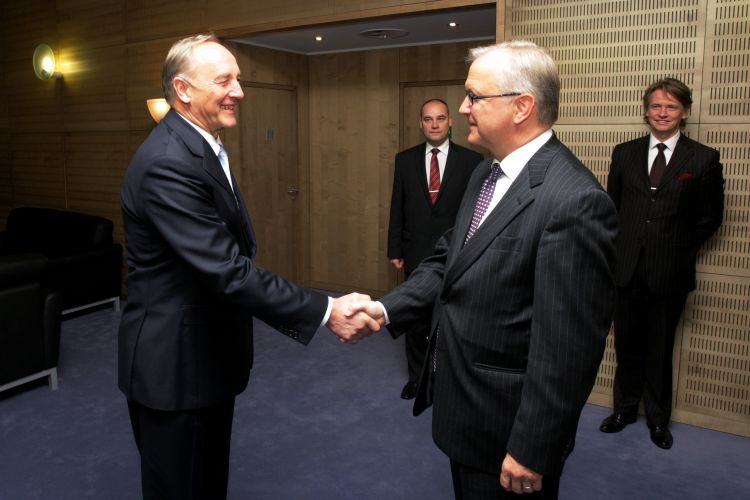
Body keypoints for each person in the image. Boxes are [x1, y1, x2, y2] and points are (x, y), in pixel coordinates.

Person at [352, 40, 617, 499]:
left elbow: (568, 349)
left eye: (474, 96)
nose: (462, 108)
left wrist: (533, 447)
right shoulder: (487, 172)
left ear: (521, 107)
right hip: (466, 410)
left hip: (507, 430)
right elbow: (448, 261)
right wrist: (385, 308)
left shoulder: (575, 202)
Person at [118, 34, 379, 500]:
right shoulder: (167, 162)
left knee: (207, 483)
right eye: (224, 81)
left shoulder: (200, 145)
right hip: (174, 369)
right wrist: (327, 309)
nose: (238, 91)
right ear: (183, 90)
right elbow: (229, 272)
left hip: (205, 359)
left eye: (238, 79)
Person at [599, 78, 724, 449]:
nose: (662, 113)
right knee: (626, 347)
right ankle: (623, 411)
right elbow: (612, 208)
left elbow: (710, 217)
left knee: (659, 350)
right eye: (656, 106)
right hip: (626, 269)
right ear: (646, 110)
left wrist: (678, 249)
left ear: (684, 112)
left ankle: (657, 421)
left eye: (671, 107)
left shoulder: (703, 158)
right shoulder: (624, 153)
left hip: (670, 272)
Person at [388, 98, 482, 400]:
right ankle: (417, 379)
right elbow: (397, 206)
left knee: (452, 321)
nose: (435, 124)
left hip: (457, 254)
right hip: (416, 251)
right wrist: (395, 249)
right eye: (428, 119)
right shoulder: (405, 160)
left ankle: (447, 380)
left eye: (440, 118)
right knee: (416, 320)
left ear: (450, 121)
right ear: (421, 124)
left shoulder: (472, 161)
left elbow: (476, 211)